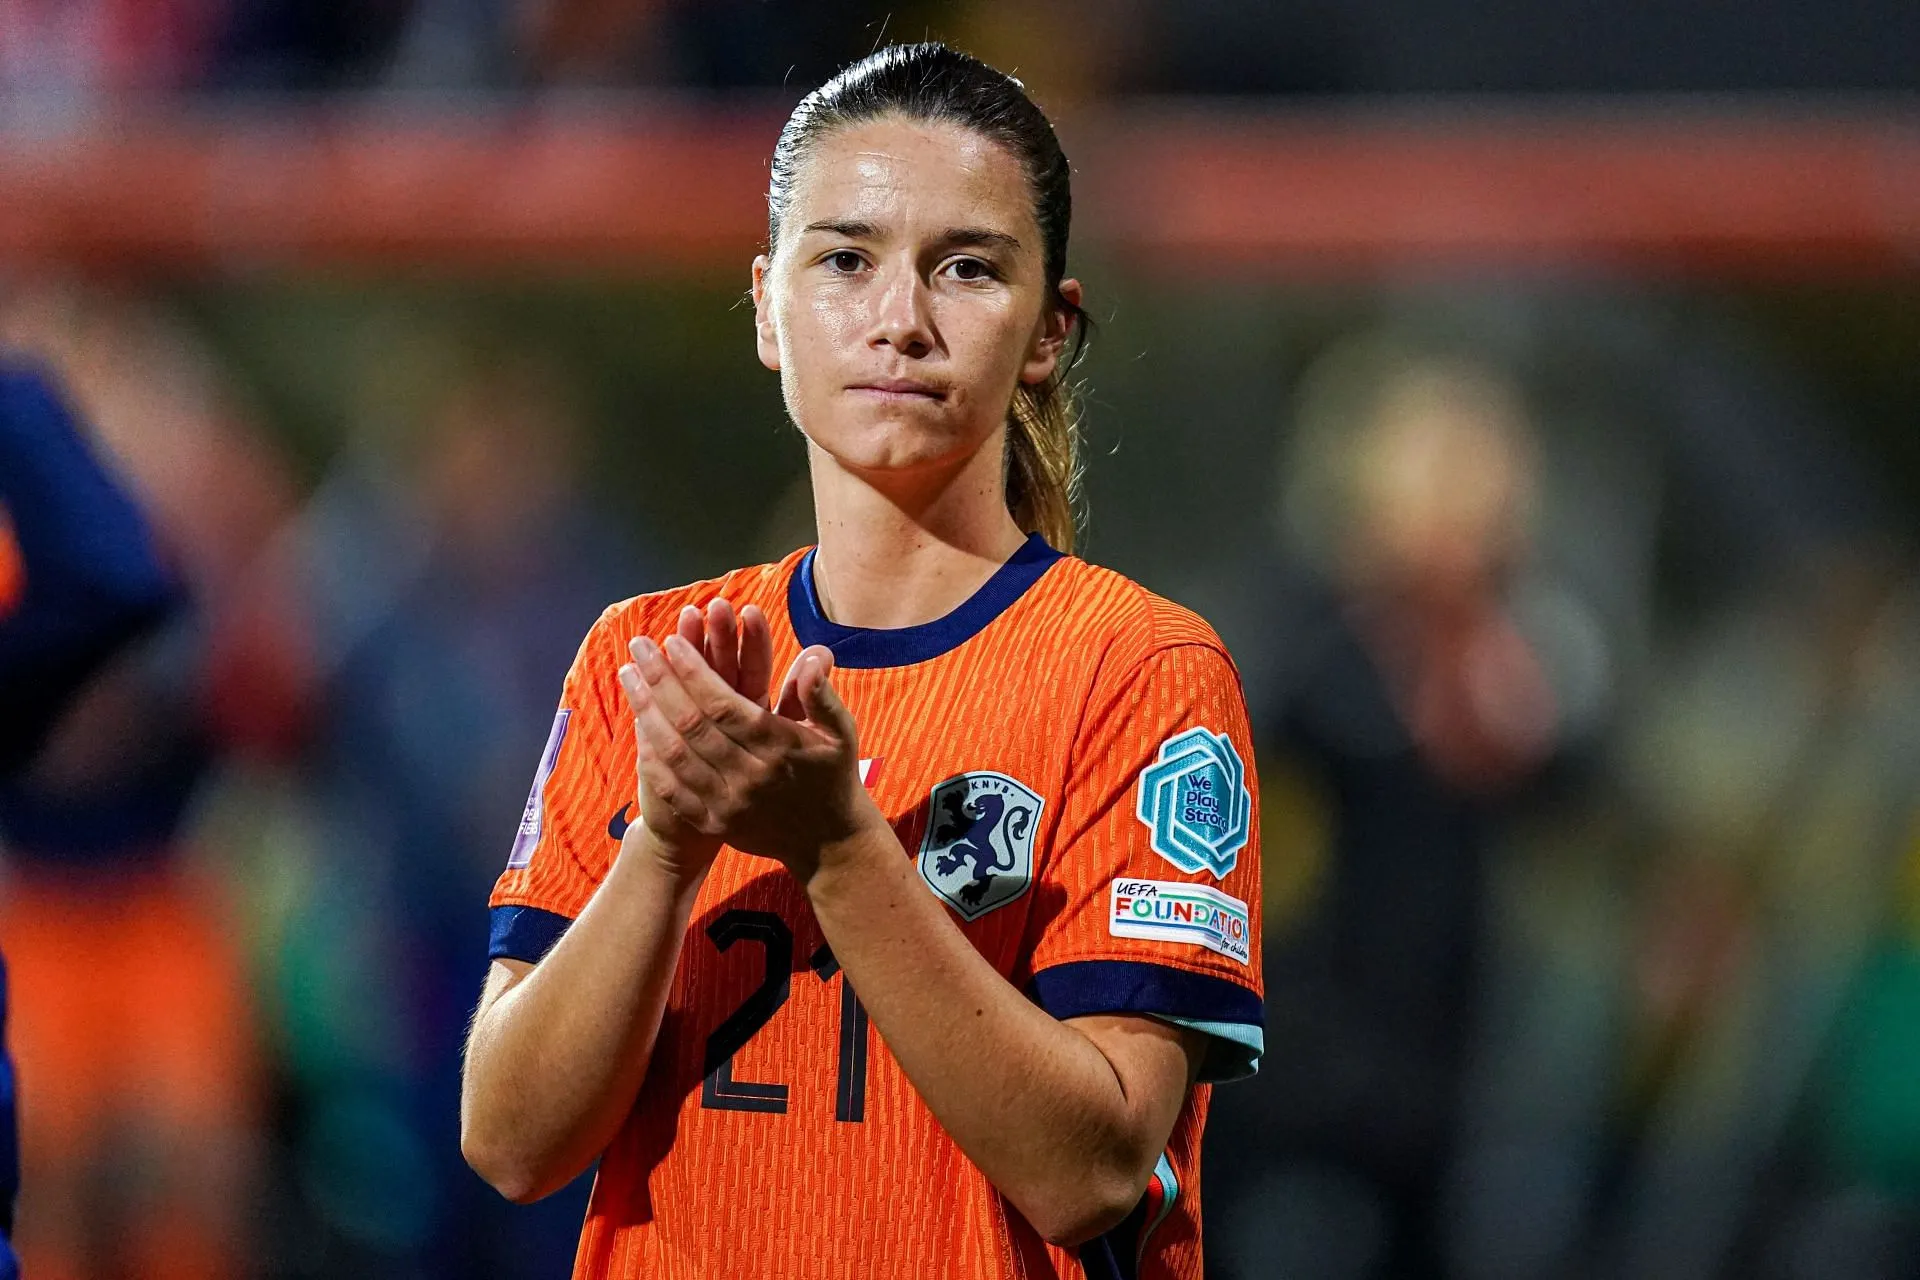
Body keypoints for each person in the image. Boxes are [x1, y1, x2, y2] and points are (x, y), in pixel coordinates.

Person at [460, 42, 1266, 1280]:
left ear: (1049, 331)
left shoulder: (1139, 669)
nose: (900, 319)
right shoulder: (645, 658)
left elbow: (1092, 1171)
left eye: (967, 268)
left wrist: (838, 849)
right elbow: (510, 1140)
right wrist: (666, 842)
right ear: (769, 308)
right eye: (844, 258)